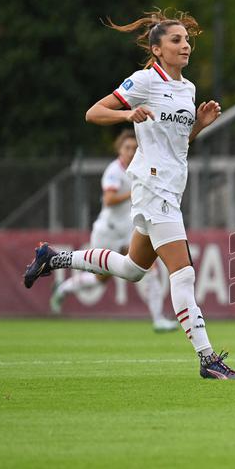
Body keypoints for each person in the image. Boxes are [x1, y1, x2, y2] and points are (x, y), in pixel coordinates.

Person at [22, 9, 235, 380]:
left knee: (132, 269)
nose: (185, 45)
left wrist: (199, 126)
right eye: (176, 40)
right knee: (184, 273)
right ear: (157, 49)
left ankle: (53, 259)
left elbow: (176, 144)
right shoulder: (144, 81)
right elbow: (94, 112)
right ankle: (207, 359)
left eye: (187, 40)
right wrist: (127, 117)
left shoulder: (187, 89)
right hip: (152, 184)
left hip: (171, 186)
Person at [49, 130, 178, 333]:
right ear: (119, 149)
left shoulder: (140, 169)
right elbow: (109, 199)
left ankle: (158, 319)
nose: (131, 151)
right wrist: (134, 192)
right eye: (127, 148)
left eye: (135, 148)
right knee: (100, 280)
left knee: (150, 268)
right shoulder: (114, 171)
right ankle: (63, 288)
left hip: (128, 230)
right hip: (107, 232)